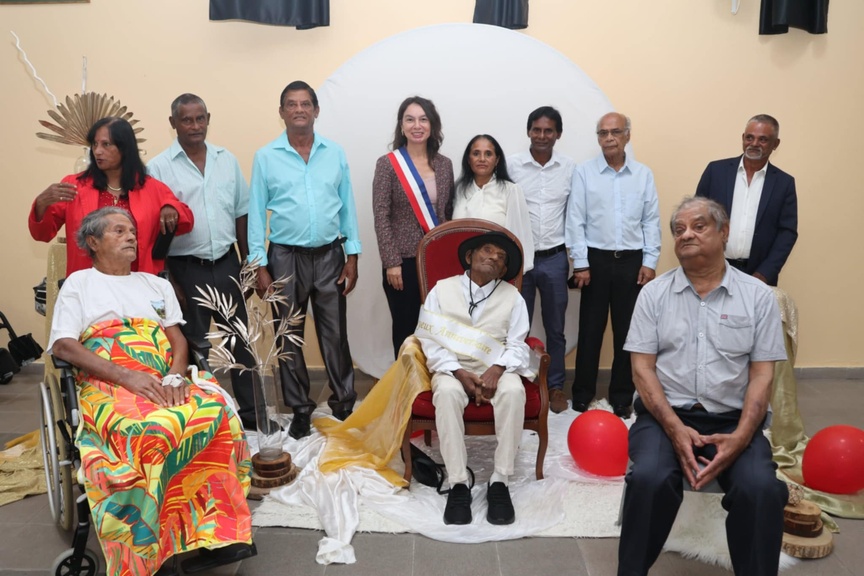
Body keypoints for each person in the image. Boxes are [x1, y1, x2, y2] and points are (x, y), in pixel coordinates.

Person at [48, 207, 254, 576]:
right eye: (118, 231)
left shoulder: (156, 285)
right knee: (149, 431)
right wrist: (126, 377)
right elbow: (64, 346)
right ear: (93, 242)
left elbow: (178, 341)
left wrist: (175, 377)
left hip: (161, 374)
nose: (131, 236)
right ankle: (147, 546)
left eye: (132, 231)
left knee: (215, 415)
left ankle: (211, 533)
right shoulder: (79, 284)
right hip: (108, 379)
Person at [618, 196, 788, 576]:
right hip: (665, 418)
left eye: (698, 226)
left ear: (724, 232)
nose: (686, 235)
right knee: (649, 478)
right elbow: (642, 371)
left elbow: (763, 375)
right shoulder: (654, 295)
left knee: (761, 489)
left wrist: (743, 436)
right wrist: (676, 430)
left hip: (733, 421)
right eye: (678, 230)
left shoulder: (758, 297)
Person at [248, 80, 361, 440]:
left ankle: (344, 403)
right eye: (291, 104)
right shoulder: (266, 156)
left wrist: (353, 253)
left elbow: (348, 206)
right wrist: (259, 265)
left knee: (335, 334)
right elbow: (254, 214)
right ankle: (299, 409)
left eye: (305, 104)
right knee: (288, 335)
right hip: (284, 257)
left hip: (330, 254)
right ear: (282, 112)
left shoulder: (335, 152)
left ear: (316, 110)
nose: (299, 110)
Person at [148, 93, 258, 430]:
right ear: (173, 124)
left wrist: (246, 264)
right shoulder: (158, 167)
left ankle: (253, 415)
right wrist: (168, 279)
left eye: (200, 119)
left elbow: (241, 212)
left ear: (208, 118)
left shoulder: (227, 160)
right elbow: (155, 227)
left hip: (226, 264)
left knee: (240, 340)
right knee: (195, 346)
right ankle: (207, 417)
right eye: (186, 120)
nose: (194, 126)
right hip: (184, 268)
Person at [416, 231, 533, 526]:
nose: (493, 257)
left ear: (504, 270)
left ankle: (500, 482)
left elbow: (518, 344)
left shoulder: (513, 297)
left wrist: (497, 369)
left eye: (501, 257)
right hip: (453, 367)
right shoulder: (441, 291)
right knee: (445, 394)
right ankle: (458, 484)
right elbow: (429, 340)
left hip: (498, 368)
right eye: (487, 250)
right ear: (470, 257)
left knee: (513, 392)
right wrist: (457, 371)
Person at [565, 112, 661, 418]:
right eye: (603, 133)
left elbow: (651, 221)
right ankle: (582, 393)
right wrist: (581, 264)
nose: (609, 138)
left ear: (627, 136)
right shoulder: (585, 172)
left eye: (615, 132)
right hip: (595, 260)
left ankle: (622, 396)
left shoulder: (643, 174)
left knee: (627, 332)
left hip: (632, 261)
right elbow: (575, 220)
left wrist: (650, 261)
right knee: (590, 329)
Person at [29, 117, 193, 275]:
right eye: (95, 144)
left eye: (106, 144)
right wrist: (41, 204)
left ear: (125, 148)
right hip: (90, 285)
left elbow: (186, 221)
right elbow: (42, 234)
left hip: (139, 284)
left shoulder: (151, 188)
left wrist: (172, 208)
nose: (97, 151)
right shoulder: (75, 186)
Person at [373, 96, 453, 358]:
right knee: (407, 333)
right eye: (410, 119)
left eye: (423, 119)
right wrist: (391, 262)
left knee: (439, 331)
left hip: (437, 261)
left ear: (432, 125)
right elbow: (381, 215)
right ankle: (407, 391)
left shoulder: (445, 164)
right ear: (401, 125)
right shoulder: (388, 164)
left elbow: (448, 213)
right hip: (403, 263)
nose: (416, 125)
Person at [508, 106, 575, 413]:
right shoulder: (512, 166)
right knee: (516, 326)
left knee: (555, 327)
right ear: (528, 131)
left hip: (554, 258)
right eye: (537, 130)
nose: (542, 136)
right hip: (521, 259)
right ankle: (518, 385)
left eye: (549, 130)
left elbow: (576, 214)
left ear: (558, 134)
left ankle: (556, 387)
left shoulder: (569, 168)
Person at [695, 114, 798, 286]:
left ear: (775, 144)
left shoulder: (784, 183)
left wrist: (765, 274)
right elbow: (697, 219)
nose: (754, 144)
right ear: (743, 138)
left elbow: (787, 233)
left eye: (763, 139)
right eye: (749, 137)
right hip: (714, 269)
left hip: (758, 275)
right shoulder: (716, 172)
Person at [452, 134, 534, 272]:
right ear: (468, 159)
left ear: (497, 160)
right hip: (460, 269)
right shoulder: (459, 189)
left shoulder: (511, 191)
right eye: (476, 153)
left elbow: (520, 237)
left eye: (488, 154)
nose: (482, 159)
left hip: (497, 272)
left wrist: (517, 274)